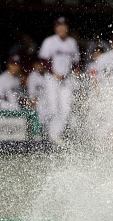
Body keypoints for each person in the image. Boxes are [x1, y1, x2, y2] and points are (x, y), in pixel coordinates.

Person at [38, 17, 81, 145]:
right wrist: (53, 72)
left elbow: (76, 61)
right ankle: (45, 132)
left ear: (67, 28)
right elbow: (43, 60)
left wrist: (76, 71)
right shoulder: (49, 41)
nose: (62, 28)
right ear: (55, 28)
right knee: (53, 108)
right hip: (52, 78)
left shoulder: (72, 42)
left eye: (64, 25)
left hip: (67, 79)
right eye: (59, 26)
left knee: (66, 108)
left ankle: (54, 135)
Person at [27, 59, 47, 126]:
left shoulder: (48, 75)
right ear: (35, 65)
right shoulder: (32, 77)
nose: (41, 66)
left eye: (42, 64)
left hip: (48, 105)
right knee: (40, 126)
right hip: (39, 106)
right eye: (39, 64)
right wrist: (33, 110)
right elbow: (32, 95)